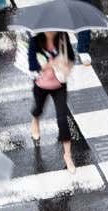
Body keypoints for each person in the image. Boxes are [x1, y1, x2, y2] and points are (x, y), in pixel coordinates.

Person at [28, 31, 76, 173]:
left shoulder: (63, 37)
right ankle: (35, 120)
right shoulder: (35, 41)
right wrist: (50, 64)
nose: (51, 32)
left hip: (59, 85)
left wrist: (66, 63)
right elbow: (32, 66)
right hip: (41, 85)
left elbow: (72, 58)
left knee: (62, 119)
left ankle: (67, 155)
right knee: (38, 108)